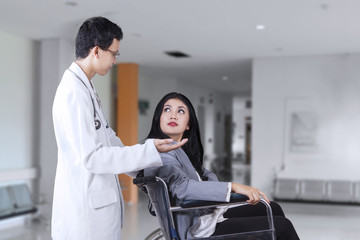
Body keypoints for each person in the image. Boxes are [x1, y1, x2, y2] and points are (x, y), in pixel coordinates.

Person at [51, 17, 187, 240]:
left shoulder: (87, 88)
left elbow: (109, 140)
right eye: (114, 53)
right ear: (96, 51)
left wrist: (145, 163)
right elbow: (92, 157)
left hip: (95, 210)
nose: (115, 60)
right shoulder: (73, 92)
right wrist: (148, 151)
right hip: (85, 217)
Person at [142, 92, 300, 240]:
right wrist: (234, 187)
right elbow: (182, 188)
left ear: (188, 125)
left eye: (181, 111)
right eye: (167, 109)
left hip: (209, 215)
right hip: (197, 228)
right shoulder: (161, 154)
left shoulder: (180, 151)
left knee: (273, 208)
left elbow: (205, 176)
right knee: (283, 226)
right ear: (158, 118)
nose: (173, 115)